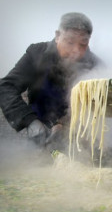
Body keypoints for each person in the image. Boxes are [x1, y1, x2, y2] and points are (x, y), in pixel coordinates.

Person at [0, 12, 102, 150]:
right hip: (40, 129)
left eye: (83, 44)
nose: (75, 51)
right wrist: (30, 121)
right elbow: (6, 87)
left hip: (79, 134)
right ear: (57, 35)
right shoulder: (36, 54)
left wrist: (63, 124)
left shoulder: (95, 65)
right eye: (70, 42)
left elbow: (102, 105)